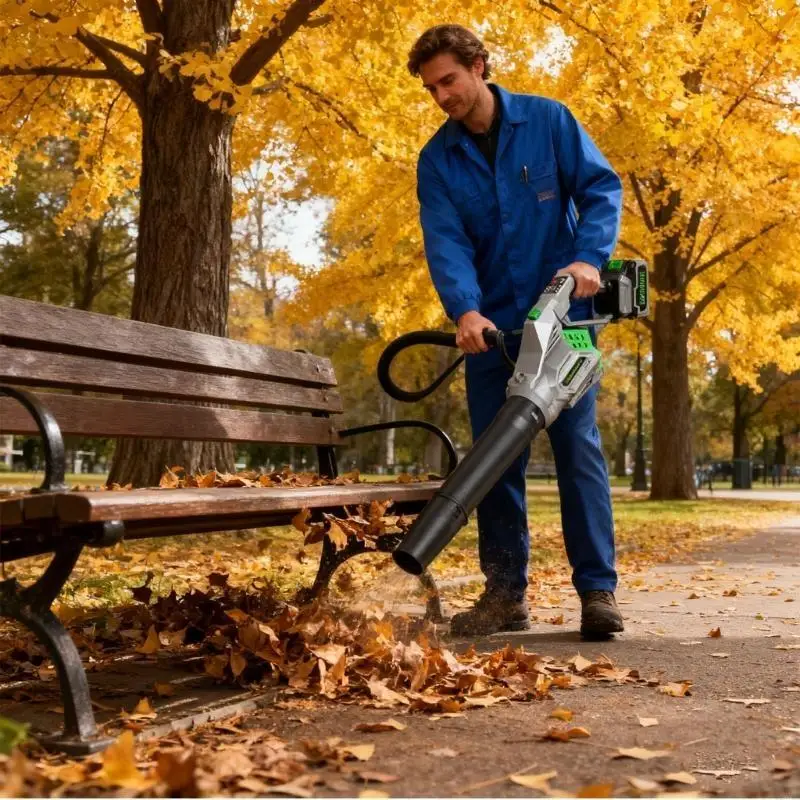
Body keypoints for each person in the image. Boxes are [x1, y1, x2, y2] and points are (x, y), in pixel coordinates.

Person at [408, 24, 625, 638]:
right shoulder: (438, 159)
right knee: (495, 458)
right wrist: (464, 311)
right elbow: (445, 239)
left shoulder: (549, 122)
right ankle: (505, 594)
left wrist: (589, 258)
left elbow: (601, 188)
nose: (442, 95)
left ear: (480, 66)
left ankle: (597, 592)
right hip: (493, 331)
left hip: (569, 322)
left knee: (578, 448)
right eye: (432, 88)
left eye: (448, 80)